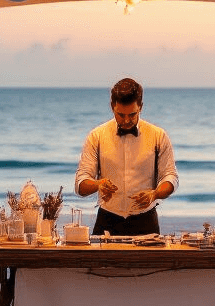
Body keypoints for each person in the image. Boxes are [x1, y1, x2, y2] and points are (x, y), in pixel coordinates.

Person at [75, 77, 179, 236]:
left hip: (146, 221)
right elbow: (81, 184)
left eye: (132, 114)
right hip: (107, 220)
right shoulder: (96, 136)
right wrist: (98, 184)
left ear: (141, 107)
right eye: (120, 115)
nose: (126, 120)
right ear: (112, 107)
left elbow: (170, 177)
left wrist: (155, 194)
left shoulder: (159, 135)